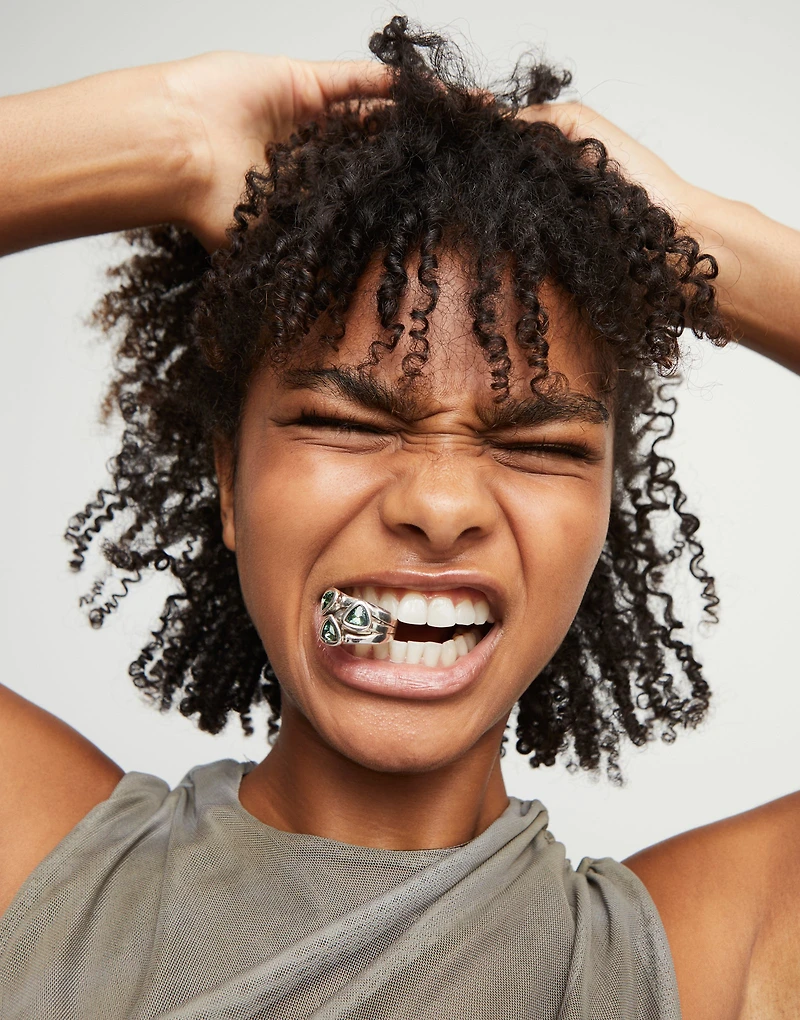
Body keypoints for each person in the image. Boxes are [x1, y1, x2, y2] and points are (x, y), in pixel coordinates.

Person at [1, 15, 798, 1020]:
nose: (439, 504)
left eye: (543, 447)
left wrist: (687, 235)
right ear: (229, 480)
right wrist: (171, 142)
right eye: (342, 420)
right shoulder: (37, 876)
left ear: (603, 516)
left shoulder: (696, 969)